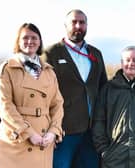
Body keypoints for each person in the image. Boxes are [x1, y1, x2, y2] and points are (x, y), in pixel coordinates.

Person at [41, 9, 107, 168]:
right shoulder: (51, 53)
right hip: (63, 130)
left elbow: (104, 88)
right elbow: (43, 92)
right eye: (74, 22)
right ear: (65, 25)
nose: (78, 26)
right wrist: (49, 128)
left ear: (87, 26)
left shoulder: (95, 53)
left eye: (82, 22)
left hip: (91, 130)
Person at [0, 23, 64, 168]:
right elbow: (5, 106)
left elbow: (57, 104)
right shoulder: (7, 69)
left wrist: (53, 132)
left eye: (34, 38)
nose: (30, 41)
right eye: (25, 37)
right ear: (18, 41)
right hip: (18, 138)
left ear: (39, 42)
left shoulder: (49, 71)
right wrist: (28, 133)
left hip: (44, 139)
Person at [92, 46, 135, 168]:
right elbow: (98, 121)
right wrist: (104, 150)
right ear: (122, 63)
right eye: (127, 60)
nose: (131, 63)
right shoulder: (108, 89)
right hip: (114, 158)